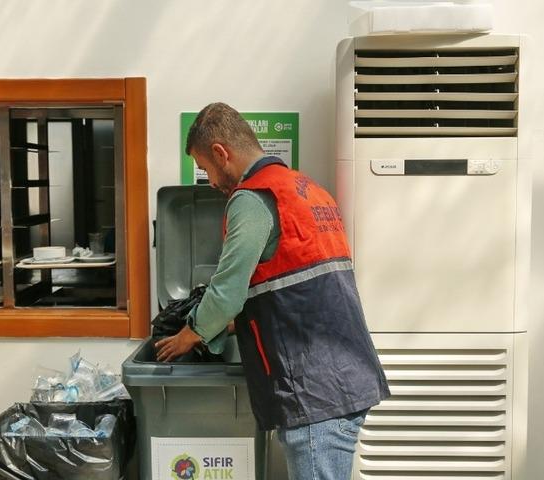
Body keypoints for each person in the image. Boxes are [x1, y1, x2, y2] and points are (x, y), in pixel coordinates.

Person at [156, 102, 389, 479]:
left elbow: (229, 290)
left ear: (220, 153)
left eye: (206, 169)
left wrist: (191, 333)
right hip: (341, 375)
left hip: (315, 390)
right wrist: (235, 325)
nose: (211, 181)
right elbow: (297, 286)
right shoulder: (309, 191)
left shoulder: (252, 199)